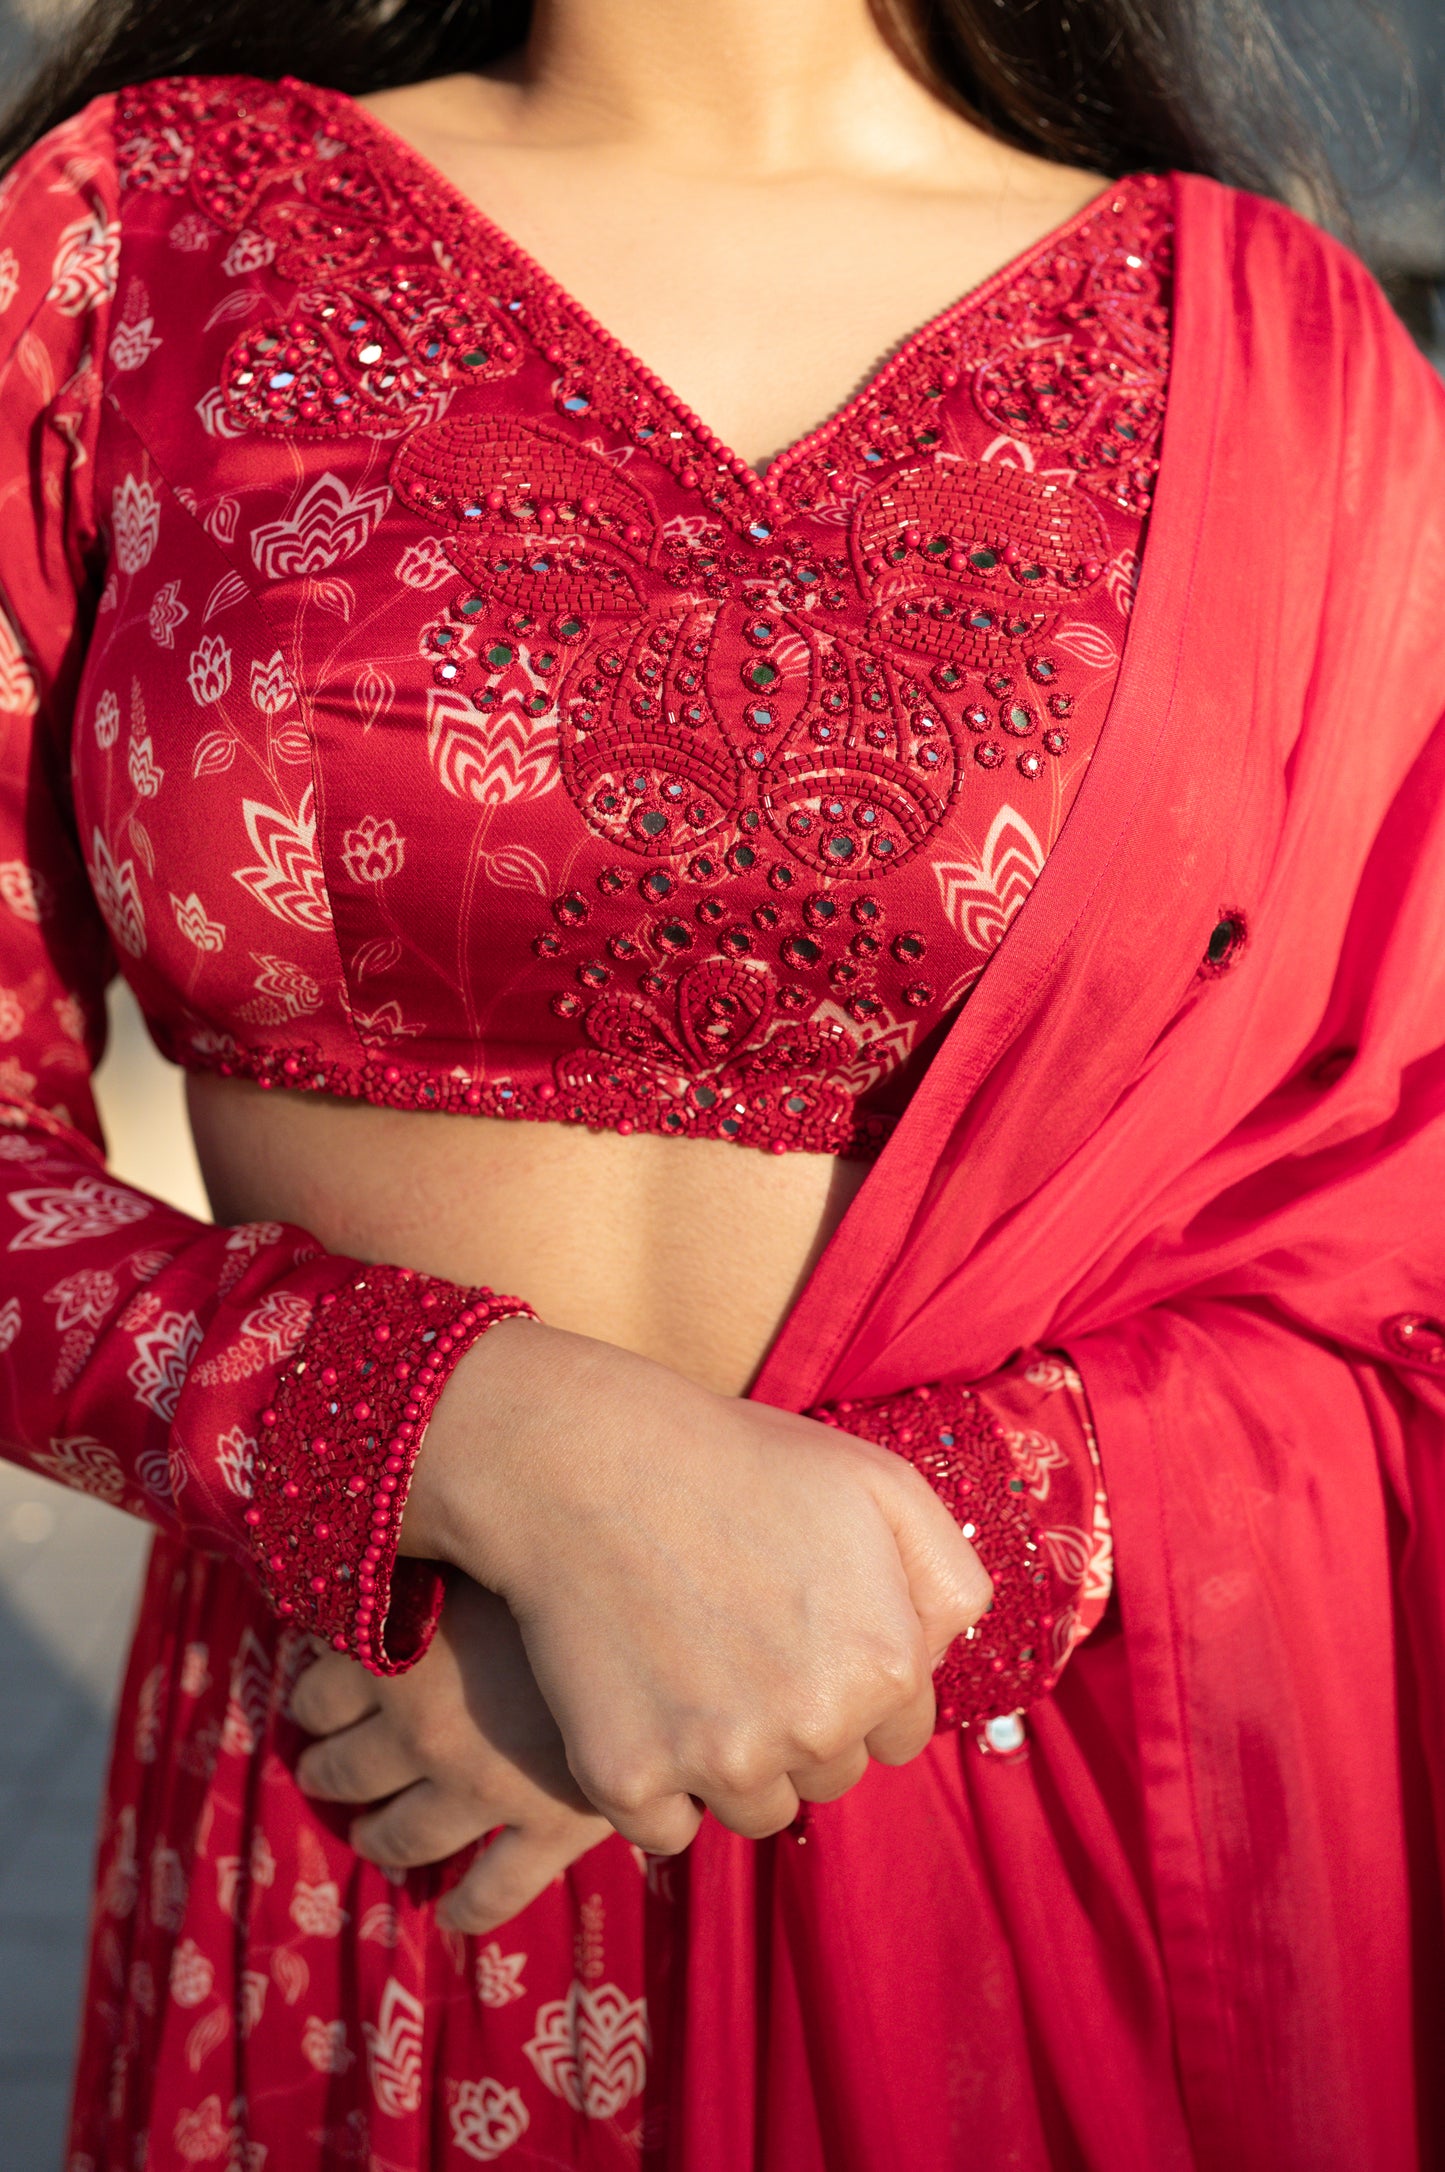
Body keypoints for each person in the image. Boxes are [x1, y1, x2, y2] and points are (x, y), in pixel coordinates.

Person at [0, 0, 1441, 2164]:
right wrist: (458, 1428)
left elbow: (1389, 1218)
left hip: (1009, 1847)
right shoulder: (137, 238)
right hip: (377, 1830)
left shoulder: (1287, 368)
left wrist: (922, 1549)